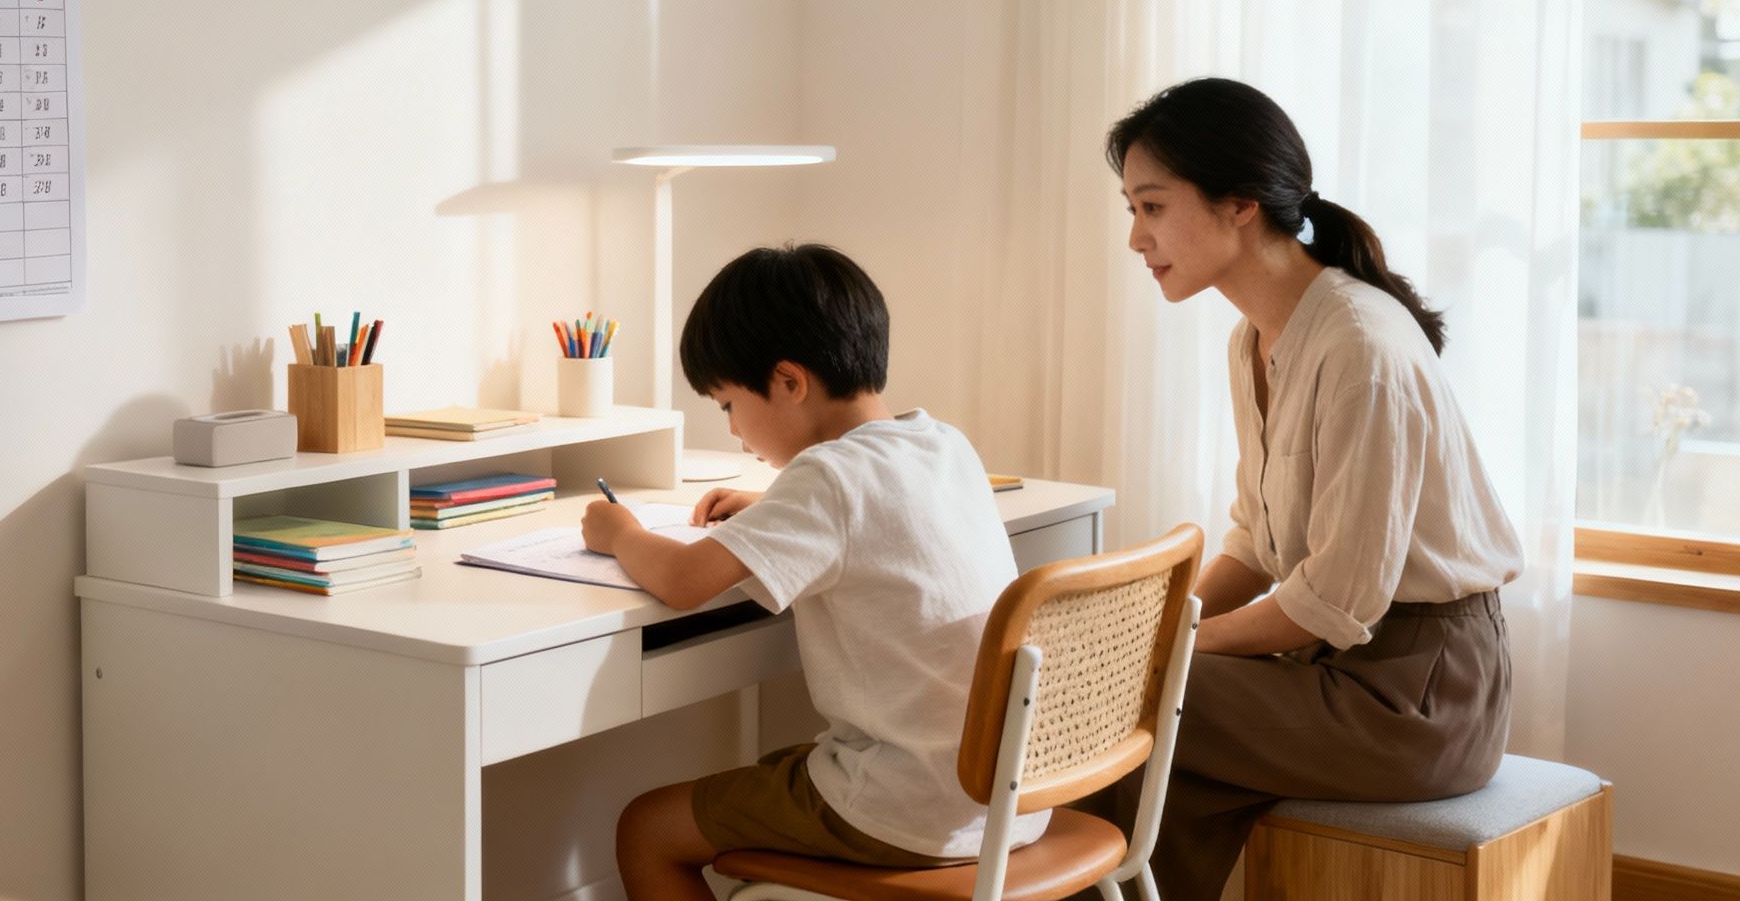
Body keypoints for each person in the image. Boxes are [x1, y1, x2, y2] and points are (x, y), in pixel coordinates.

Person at [1099, 77, 1525, 900]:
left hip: (1419, 696)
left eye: (1151, 207)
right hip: (1334, 667)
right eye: (1131, 209)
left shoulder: (1359, 346)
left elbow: (1332, 602)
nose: (1135, 238)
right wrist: (1159, 624)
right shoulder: (1254, 340)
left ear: (1239, 204)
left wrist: (1169, 646)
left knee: (1131, 700)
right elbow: (1257, 544)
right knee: (1135, 730)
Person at [581, 243, 1039, 901]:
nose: (733, 430)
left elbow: (682, 581)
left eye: (728, 404)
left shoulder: (824, 479)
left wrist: (621, 532)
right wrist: (773, 512)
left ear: (789, 382)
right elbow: (876, 512)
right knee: (777, 769)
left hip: (911, 809)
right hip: (1009, 797)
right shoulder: (942, 442)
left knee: (647, 829)